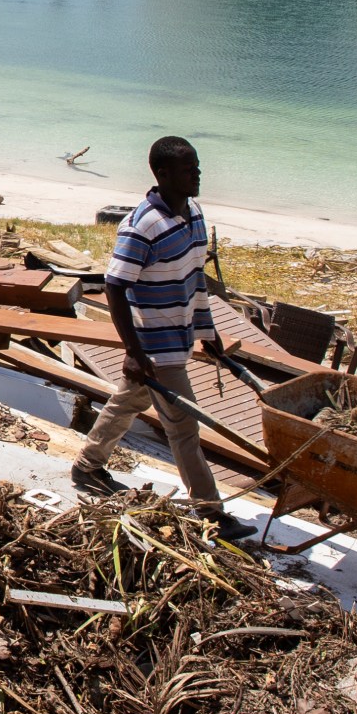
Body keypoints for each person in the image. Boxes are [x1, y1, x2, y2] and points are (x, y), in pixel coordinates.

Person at [72, 136, 255, 541]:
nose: (198, 174)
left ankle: (87, 464)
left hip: (182, 334)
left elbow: (195, 279)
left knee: (130, 399)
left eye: (198, 166)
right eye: (190, 169)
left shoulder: (193, 213)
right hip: (155, 343)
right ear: (163, 173)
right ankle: (210, 512)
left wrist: (208, 332)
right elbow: (114, 287)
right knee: (184, 428)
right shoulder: (141, 226)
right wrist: (134, 352)